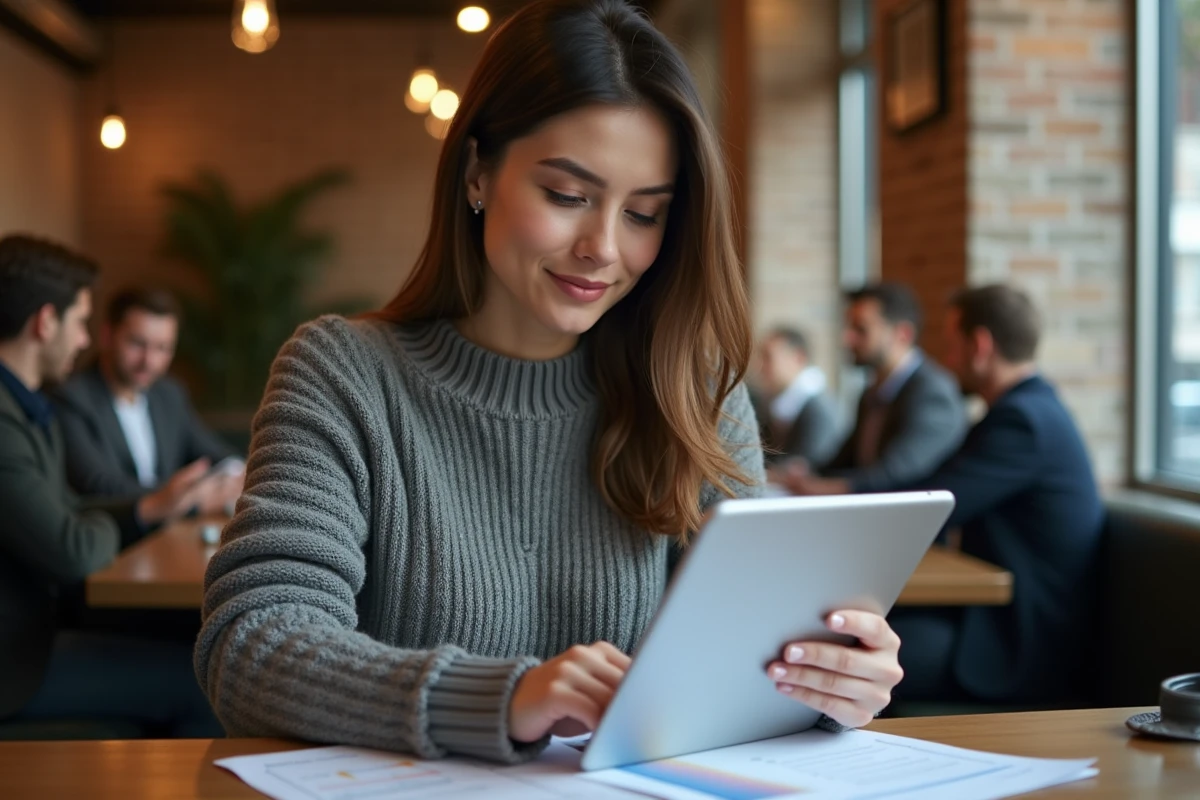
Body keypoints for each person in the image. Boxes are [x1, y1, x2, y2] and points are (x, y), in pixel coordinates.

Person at [195, 0, 904, 764]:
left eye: (643, 214)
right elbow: (251, 643)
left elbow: (746, 659)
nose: (603, 247)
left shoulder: (694, 393)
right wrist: (502, 697)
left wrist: (826, 682)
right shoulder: (344, 376)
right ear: (477, 172)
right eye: (567, 197)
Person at [0, 234, 222, 735]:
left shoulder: (24, 405)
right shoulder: (11, 416)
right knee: (200, 679)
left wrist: (145, 510)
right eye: (80, 321)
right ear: (44, 322)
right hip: (16, 659)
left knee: (199, 641)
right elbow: (73, 547)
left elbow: (73, 508)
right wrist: (104, 519)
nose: (82, 340)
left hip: (38, 631)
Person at [888, 285, 1104, 706]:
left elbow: (930, 503)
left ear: (981, 345)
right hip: (988, 622)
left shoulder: (1023, 421)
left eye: (952, 347)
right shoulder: (1029, 409)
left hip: (1015, 646)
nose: (948, 362)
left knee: (842, 652)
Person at [53, 287, 243, 504]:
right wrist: (185, 499)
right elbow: (98, 484)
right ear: (107, 336)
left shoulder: (169, 394)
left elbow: (212, 452)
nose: (149, 361)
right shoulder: (71, 399)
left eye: (162, 348)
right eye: (137, 344)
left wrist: (238, 474)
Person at [779, 283, 966, 496]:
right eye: (849, 327)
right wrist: (801, 474)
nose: (847, 338)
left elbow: (898, 472)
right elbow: (845, 461)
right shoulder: (872, 392)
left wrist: (824, 488)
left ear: (902, 334)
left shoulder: (932, 392)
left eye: (861, 329)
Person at [751, 326, 841, 467]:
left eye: (768, 357)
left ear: (798, 358)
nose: (759, 366)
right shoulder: (775, 403)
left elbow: (809, 466)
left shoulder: (819, 408)